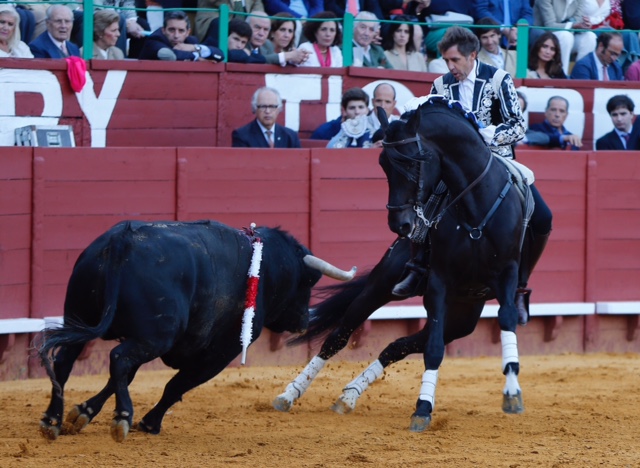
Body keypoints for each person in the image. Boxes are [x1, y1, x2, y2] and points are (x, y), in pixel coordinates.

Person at [395, 26, 552, 327]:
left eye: (455, 60)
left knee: (542, 217)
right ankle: (416, 267)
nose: (450, 67)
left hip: (498, 161)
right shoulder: (440, 85)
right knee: (421, 205)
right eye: (446, 61)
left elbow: (517, 126)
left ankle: (520, 286)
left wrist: (487, 137)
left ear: (472, 55)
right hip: (454, 168)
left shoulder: (497, 78)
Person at [532, 0, 597, 76]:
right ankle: (561, 76)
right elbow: (550, 25)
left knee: (590, 37)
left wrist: (584, 26)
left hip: (568, 34)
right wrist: (573, 25)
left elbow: (577, 19)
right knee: (566, 36)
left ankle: (581, 76)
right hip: (544, 34)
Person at [138, 10, 223, 61]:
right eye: (171, 30)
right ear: (163, 30)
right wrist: (196, 56)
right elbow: (169, 55)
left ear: (187, 32)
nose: (176, 35)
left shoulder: (191, 42)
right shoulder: (155, 39)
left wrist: (196, 48)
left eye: (181, 31)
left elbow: (220, 55)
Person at [232, 87, 301, 148]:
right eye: (263, 106)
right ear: (254, 108)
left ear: (279, 109)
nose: (267, 111)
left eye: (272, 107)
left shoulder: (291, 136)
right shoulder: (242, 135)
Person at [195, 0, 264, 42]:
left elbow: (258, 10)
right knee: (220, 25)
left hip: (244, 25)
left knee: (259, 30)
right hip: (215, 22)